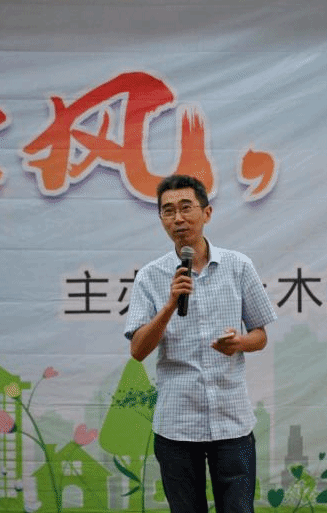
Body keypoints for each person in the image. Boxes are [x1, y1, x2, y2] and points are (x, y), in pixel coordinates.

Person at [123, 173, 277, 513]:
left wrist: (238, 343)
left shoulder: (238, 266)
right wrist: (169, 305)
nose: (178, 218)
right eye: (168, 211)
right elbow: (138, 350)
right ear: (161, 219)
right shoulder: (150, 276)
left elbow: (261, 336)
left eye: (186, 207)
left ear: (206, 213)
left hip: (232, 421)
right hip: (177, 426)